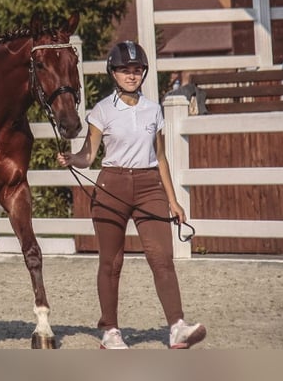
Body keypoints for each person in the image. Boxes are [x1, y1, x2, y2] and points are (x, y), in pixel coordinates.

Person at [56, 41, 206, 349]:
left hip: (150, 185)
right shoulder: (102, 111)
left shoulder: (154, 110)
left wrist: (174, 200)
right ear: (113, 72)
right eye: (125, 70)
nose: (131, 75)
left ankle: (177, 326)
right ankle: (110, 330)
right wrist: (72, 159)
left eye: (137, 70)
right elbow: (89, 154)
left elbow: (161, 157)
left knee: (162, 257)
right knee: (111, 262)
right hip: (112, 185)